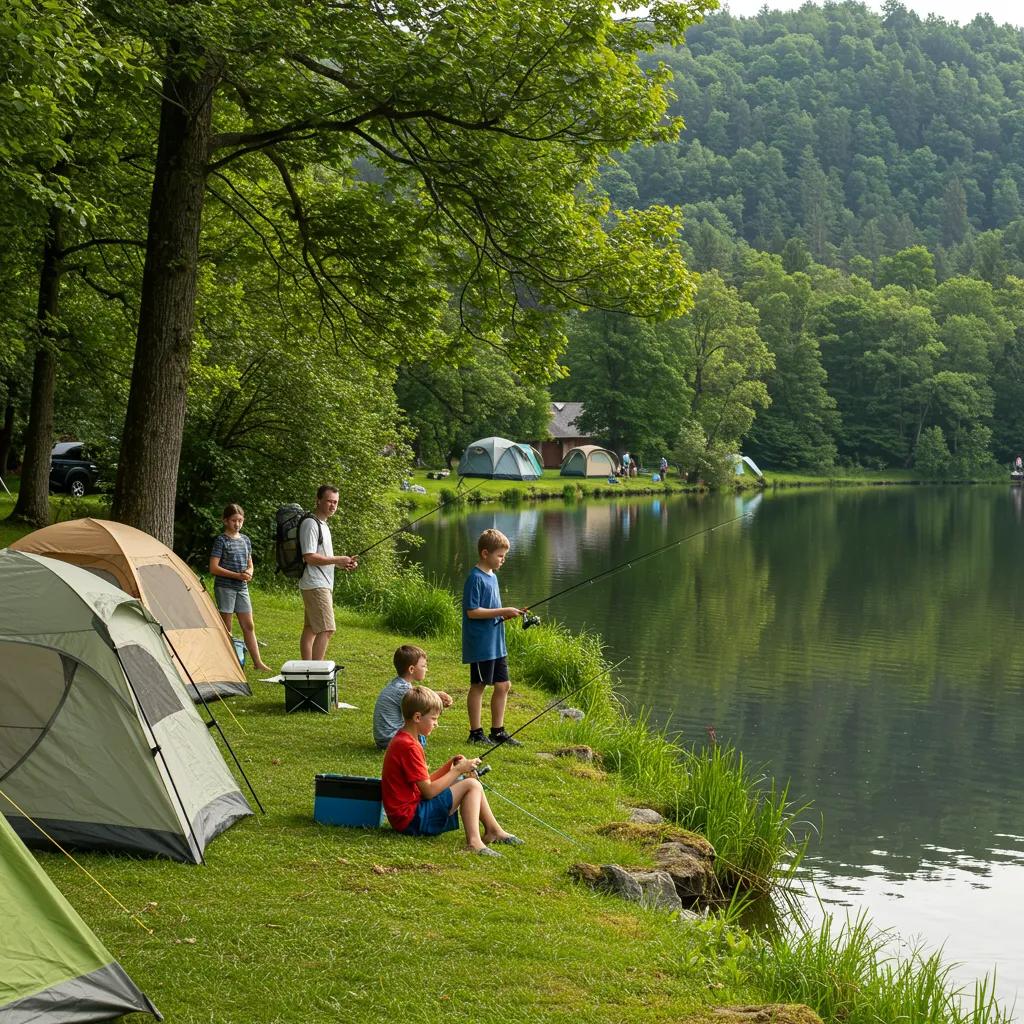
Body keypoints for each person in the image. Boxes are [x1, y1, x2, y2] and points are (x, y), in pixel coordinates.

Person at [381, 686, 522, 856]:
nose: (436, 724)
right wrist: (457, 771)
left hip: (406, 816)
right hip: (411, 819)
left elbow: (424, 782)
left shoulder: (404, 739)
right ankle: (474, 843)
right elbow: (428, 792)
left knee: (467, 781)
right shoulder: (409, 746)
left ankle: (493, 830)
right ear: (417, 717)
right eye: (433, 719)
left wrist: (451, 766)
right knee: (471, 785)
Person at [463, 527, 522, 746]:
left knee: (503, 685)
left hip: (496, 643)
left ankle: (498, 731)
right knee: (479, 685)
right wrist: (502, 611)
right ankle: (475, 733)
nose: (503, 560)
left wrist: (506, 615)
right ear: (485, 553)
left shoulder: (492, 577)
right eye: (500, 555)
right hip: (481, 644)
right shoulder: (475, 578)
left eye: (504, 556)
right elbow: (472, 612)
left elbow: (491, 610)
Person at [299, 484, 359, 660]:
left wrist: (342, 563)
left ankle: (306, 670)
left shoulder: (323, 524)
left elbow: (322, 558)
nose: (333, 505)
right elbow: (309, 557)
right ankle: (317, 672)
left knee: (310, 629)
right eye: (329, 501)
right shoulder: (311, 523)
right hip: (315, 584)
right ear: (318, 501)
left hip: (319, 582)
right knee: (327, 629)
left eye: (336, 502)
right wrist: (337, 559)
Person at [209, 503, 270, 671]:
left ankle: (258, 662)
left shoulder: (245, 540)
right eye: (234, 520)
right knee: (226, 626)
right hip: (225, 587)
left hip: (242, 587)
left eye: (240, 520)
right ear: (225, 521)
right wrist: (236, 575)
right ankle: (227, 662)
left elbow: (250, 564)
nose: (237, 524)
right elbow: (213, 568)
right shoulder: (221, 540)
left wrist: (249, 572)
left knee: (248, 625)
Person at [373, 644, 453, 750]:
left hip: (384, 738)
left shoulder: (399, 684)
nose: (426, 669)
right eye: (424, 666)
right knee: (420, 718)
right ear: (411, 669)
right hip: (390, 740)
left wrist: (434, 694)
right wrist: (437, 698)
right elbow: (422, 704)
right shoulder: (402, 689)